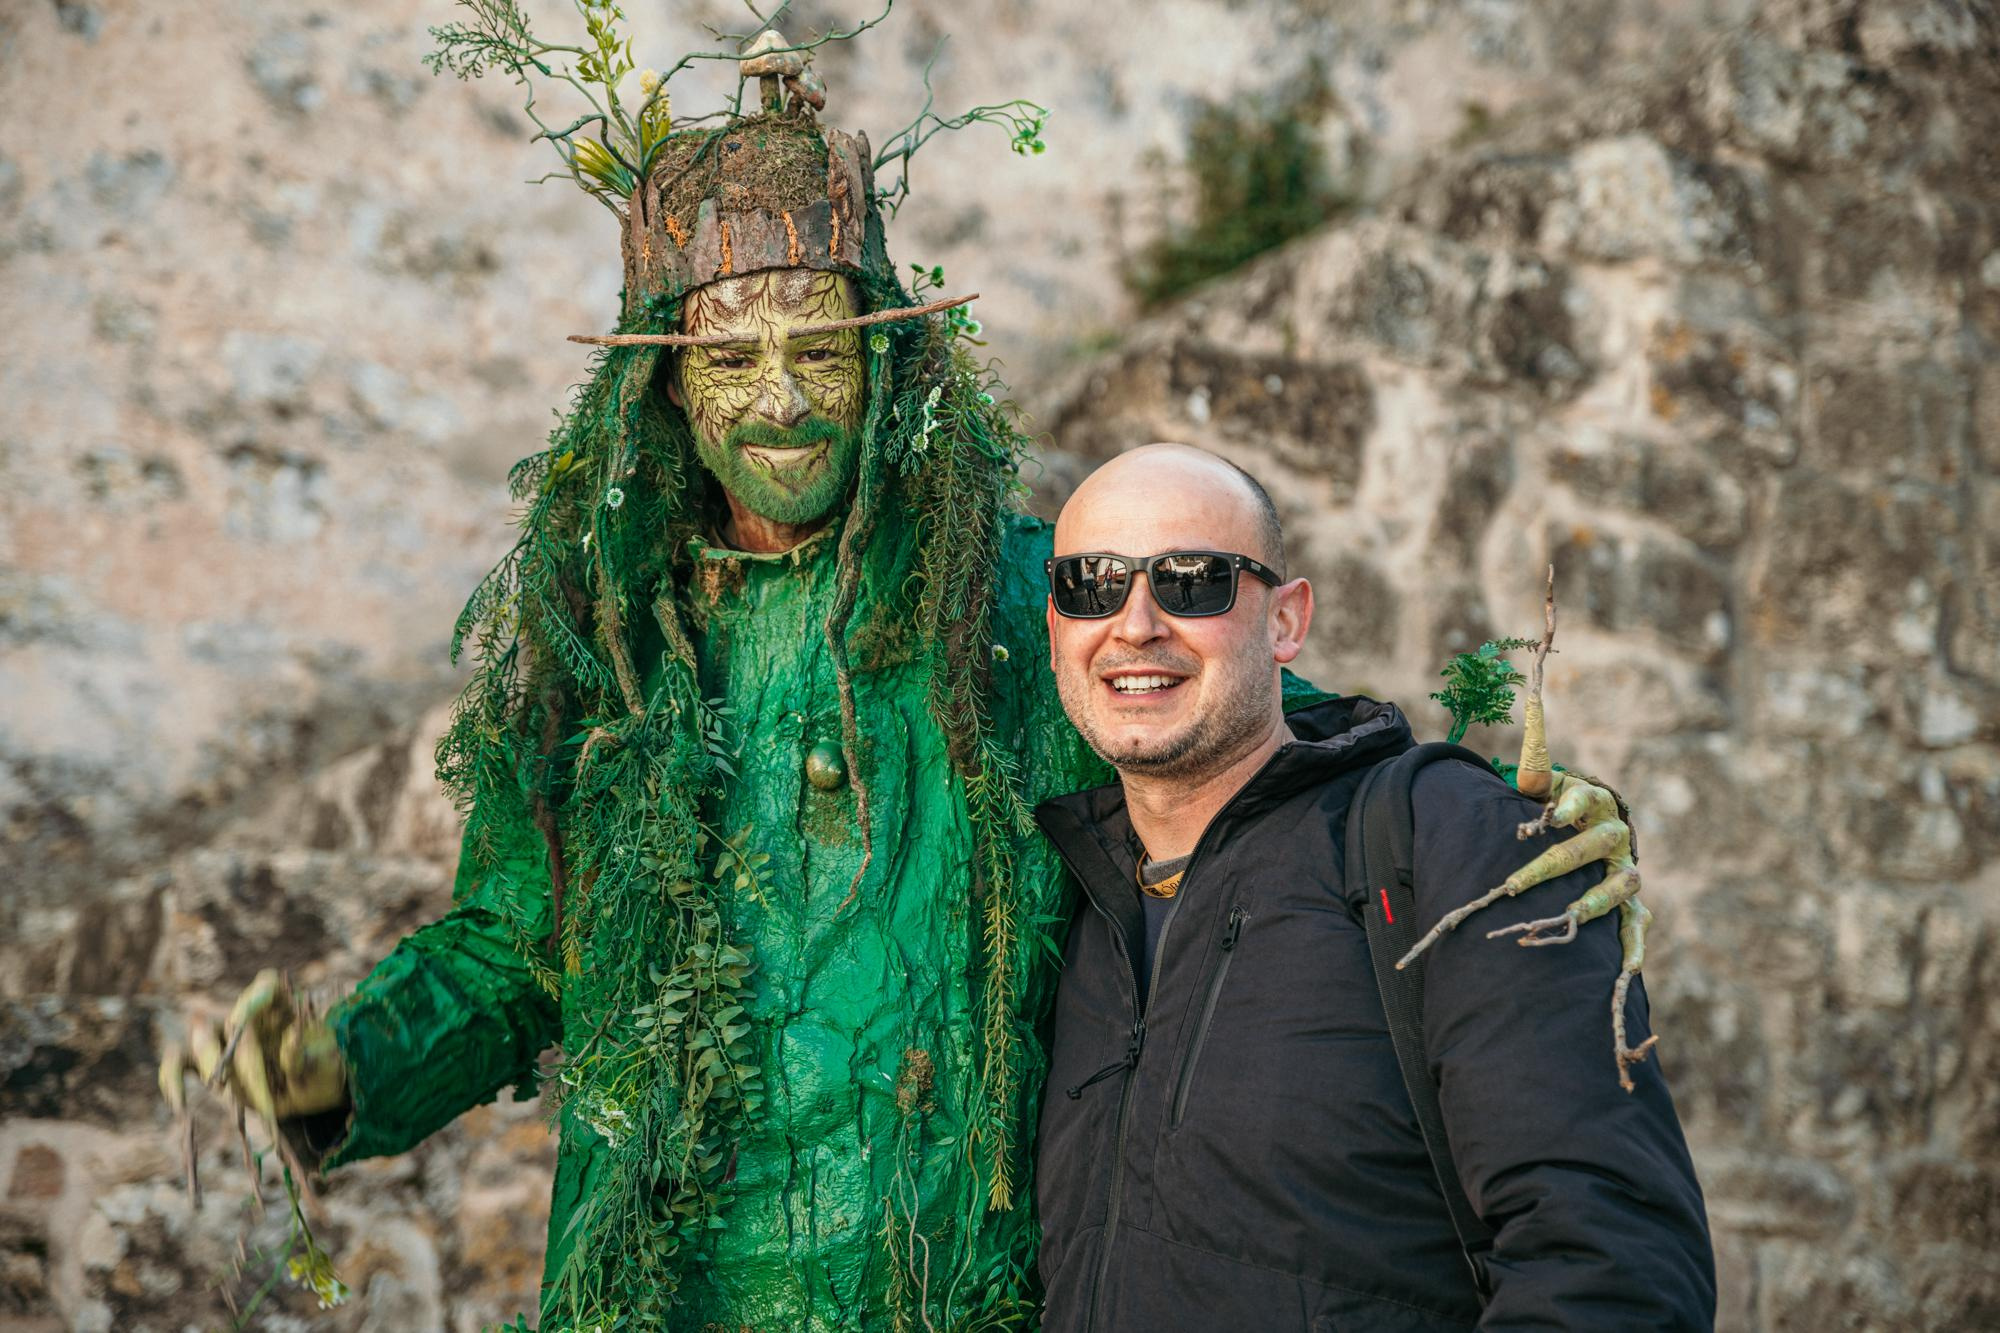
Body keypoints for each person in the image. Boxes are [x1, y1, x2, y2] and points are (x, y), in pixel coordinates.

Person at [158, 22, 1657, 1333]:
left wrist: (1502, 820)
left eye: (823, 348)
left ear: (890, 365)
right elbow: (506, 952)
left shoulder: (1017, 602)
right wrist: (338, 1070)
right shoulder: (602, 652)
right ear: (665, 387)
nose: (787, 398)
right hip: (666, 1290)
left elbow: (1222, 733)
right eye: (733, 363)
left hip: (963, 1285)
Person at [1033, 444, 1715, 1331]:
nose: (1134, 624)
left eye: (1191, 580)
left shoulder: (1445, 839)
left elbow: (1616, 1269)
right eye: (1092, 583)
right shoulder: (1072, 905)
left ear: (1286, 621)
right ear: (1055, 629)